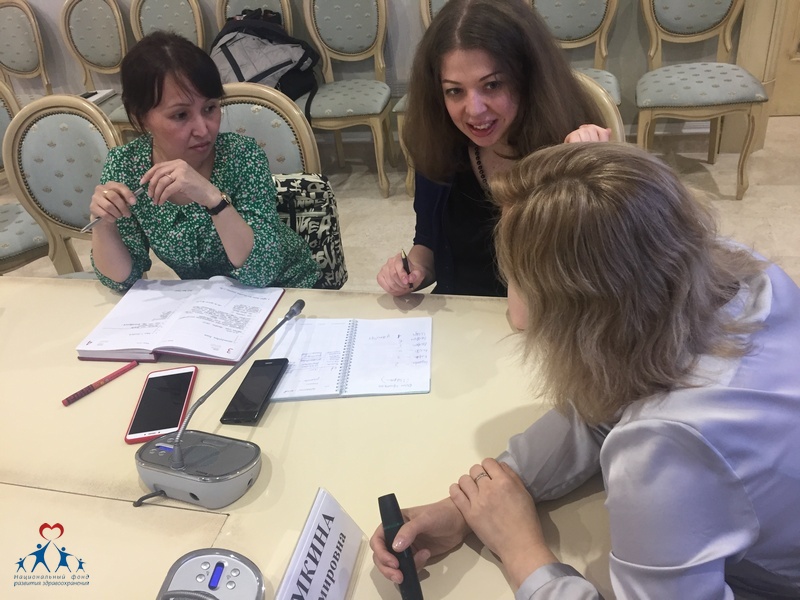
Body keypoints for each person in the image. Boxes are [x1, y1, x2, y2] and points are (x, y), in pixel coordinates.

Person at [371, 143, 800, 598]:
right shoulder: (740, 274)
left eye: (513, 274)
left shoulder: (666, 446)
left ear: (580, 316)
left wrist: (521, 549)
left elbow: (646, 427)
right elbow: (607, 399)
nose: (513, 305)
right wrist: (471, 504)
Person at [377, 0, 610, 298]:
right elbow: (428, 244)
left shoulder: (569, 143)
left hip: (547, 316)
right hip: (462, 314)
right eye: (454, 90)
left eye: (492, 85)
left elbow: (600, 271)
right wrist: (412, 271)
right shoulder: (440, 141)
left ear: (526, 77)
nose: (474, 110)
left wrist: (589, 178)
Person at [89, 32, 320, 292]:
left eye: (210, 108)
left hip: (287, 289)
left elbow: (262, 270)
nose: (203, 129)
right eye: (180, 115)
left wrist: (212, 198)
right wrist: (104, 224)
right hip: (209, 301)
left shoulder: (241, 155)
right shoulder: (126, 166)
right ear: (140, 117)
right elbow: (121, 279)